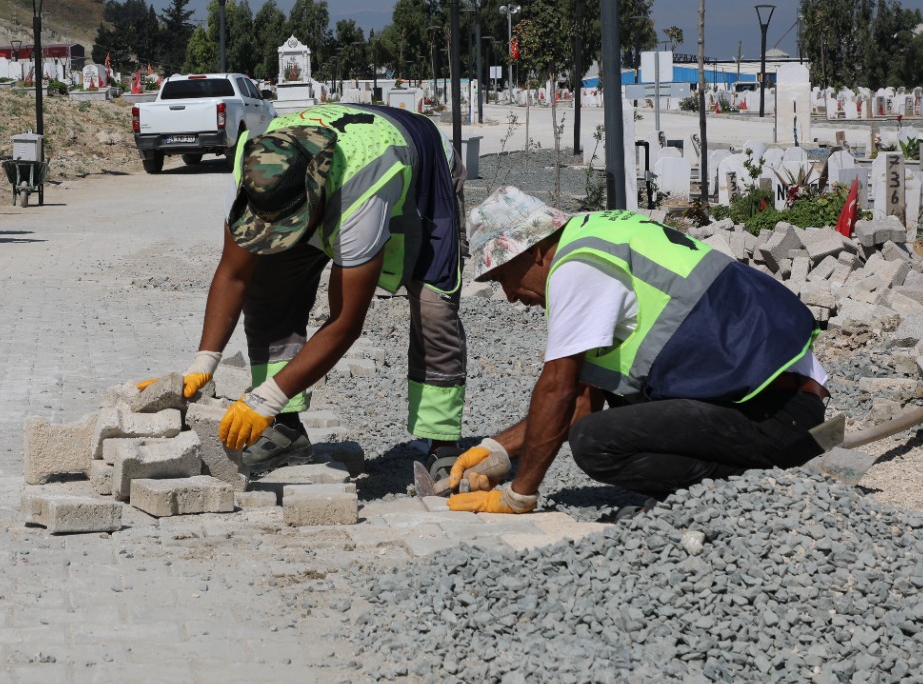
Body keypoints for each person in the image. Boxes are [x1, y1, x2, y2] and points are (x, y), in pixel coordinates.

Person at [445, 186, 830, 516]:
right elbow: (582, 398)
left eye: (503, 277)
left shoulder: (577, 267)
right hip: (781, 402)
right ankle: (726, 485)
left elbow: (559, 389)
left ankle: (736, 496)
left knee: (595, 443)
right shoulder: (595, 234)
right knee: (613, 405)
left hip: (779, 414)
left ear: (535, 250)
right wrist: (498, 449)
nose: (511, 297)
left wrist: (519, 494)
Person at [165, 102, 468, 477]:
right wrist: (203, 363)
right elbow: (233, 274)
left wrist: (265, 398)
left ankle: (442, 446)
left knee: (433, 306)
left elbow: (346, 323)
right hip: (324, 172)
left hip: (421, 168)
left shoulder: (363, 187)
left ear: (315, 204)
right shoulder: (257, 166)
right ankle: (285, 430)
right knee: (268, 287)